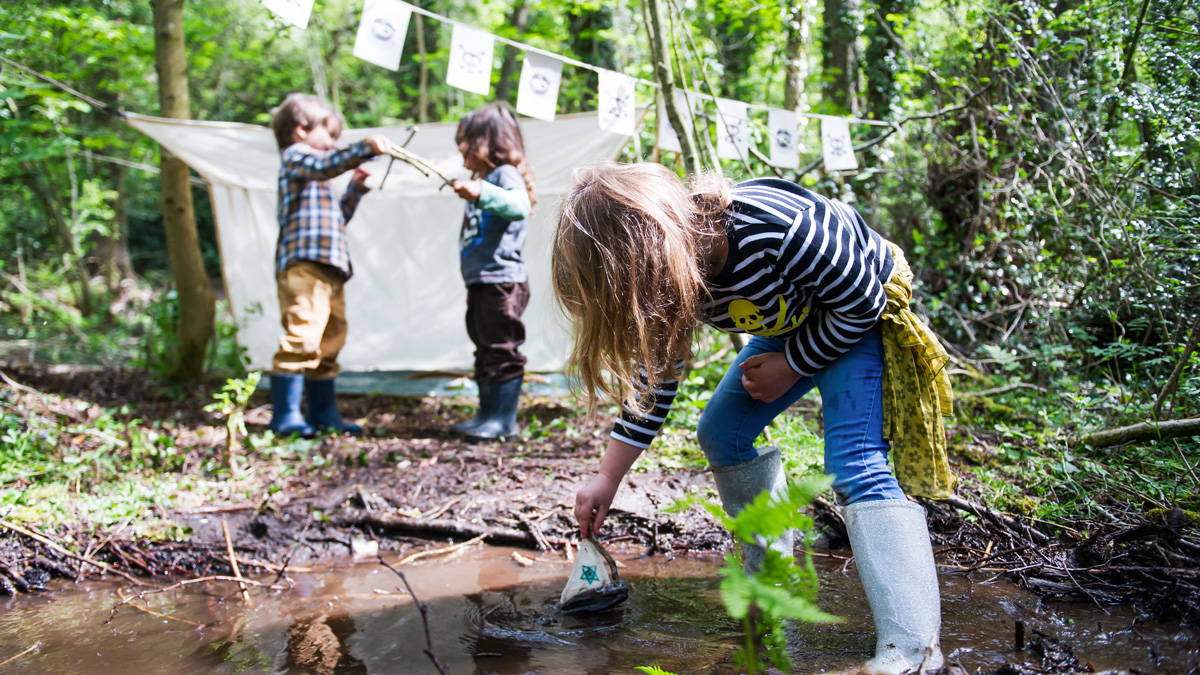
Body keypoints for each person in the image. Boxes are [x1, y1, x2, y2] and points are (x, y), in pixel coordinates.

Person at [552, 162, 955, 674]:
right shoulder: (679, 277)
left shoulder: (777, 229)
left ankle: (914, 647)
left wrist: (791, 366)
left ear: (657, 253)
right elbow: (656, 379)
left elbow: (863, 300)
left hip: (857, 316)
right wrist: (608, 476)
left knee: (854, 461)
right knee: (721, 431)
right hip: (791, 323)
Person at [266, 93, 391, 437]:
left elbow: (337, 219)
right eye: (330, 135)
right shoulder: (295, 158)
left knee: (330, 339)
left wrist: (354, 190)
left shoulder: (317, 178)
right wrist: (361, 149)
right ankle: (286, 415)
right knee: (303, 334)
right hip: (304, 265)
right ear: (301, 131)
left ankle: (323, 413)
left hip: (330, 268)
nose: (333, 144)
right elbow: (325, 164)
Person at [446, 102, 536, 442]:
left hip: (502, 280)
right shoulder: (484, 179)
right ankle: (486, 415)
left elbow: (519, 205)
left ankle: (502, 421)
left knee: (500, 347)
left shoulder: (503, 176)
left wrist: (483, 192)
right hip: (482, 280)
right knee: (484, 347)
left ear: (488, 142)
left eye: (465, 141)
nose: (461, 149)